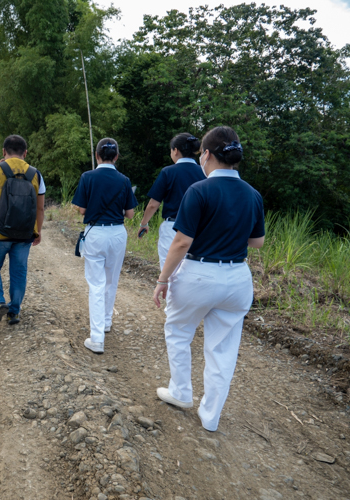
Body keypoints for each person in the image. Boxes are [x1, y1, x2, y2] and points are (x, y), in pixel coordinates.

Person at [152, 126, 265, 432]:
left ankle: (181, 391)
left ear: (206, 154)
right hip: (238, 277)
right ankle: (211, 416)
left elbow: (181, 242)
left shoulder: (199, 191)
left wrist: (163, 280)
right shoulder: (252, 194)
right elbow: (257, 242)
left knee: (178, 330)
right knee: (223, 348)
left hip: (199, 274)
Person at [72, 138, 138, 354]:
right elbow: (130, 214)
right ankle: (106, 321)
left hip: (96, 232)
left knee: (96, 283)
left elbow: (81, 209)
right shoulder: (124, 180)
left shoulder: (87, 177)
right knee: (112, 279)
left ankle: (97, 337)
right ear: (116, 157)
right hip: (118, 233)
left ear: (97, 155)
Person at [0, 135, 46, 325]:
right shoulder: (35, 173)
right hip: (24, 234)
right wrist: (37, 231)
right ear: (25, 153)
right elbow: (40, 208)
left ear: (4, 151)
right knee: (18, 272)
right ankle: (14, 312)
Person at [139, 133, 206, 269]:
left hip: (173, 228)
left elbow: (153, 204)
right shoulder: (204, 173)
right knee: (192, 270)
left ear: (175, 151)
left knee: (169, 271)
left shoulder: (168, 172)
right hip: (198, 229)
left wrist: (144, 223)